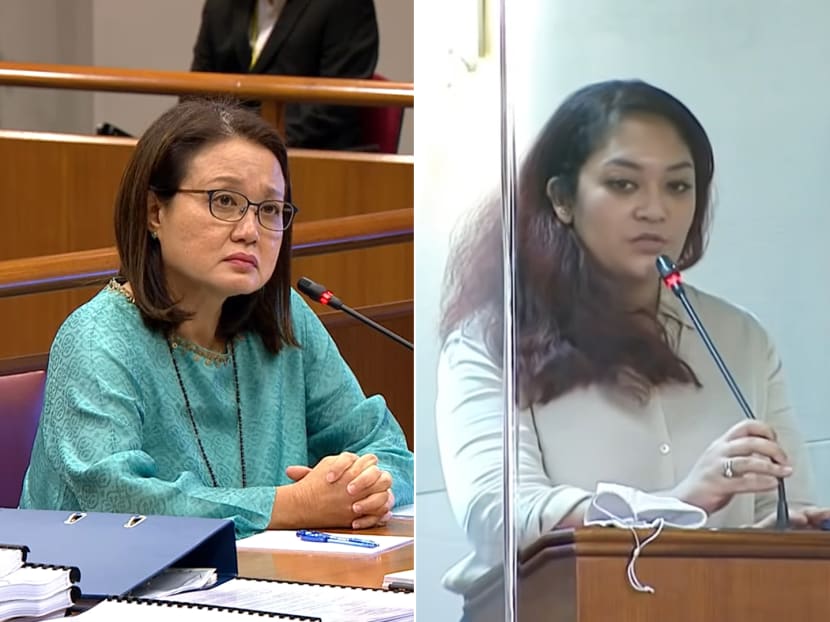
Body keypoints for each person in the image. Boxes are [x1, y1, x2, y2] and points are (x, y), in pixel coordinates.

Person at [435, 79, 827, 594]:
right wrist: (679, 504)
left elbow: (786, 507)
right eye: (623, 184)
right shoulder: (490, 340)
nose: (655, 209)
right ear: (562, 199)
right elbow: (499, 517)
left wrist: (788, 530)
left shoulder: (740, 338)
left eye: (678, 186)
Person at [20, 98, 413, 538]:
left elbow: (387, 451)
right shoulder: (97, 337)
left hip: (269, 573)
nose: (250, 231)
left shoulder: (284, 318)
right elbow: (120, 501)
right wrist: (294, 506)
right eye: (224, 201)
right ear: (155, 212)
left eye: (270, 209)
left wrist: (369, 489)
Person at [190, 0, 379, 151]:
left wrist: (259, 144)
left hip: (314, 158)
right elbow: (196, 92)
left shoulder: (346, 5)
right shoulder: (221, 6)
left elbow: (336, 103)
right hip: (223, 151)